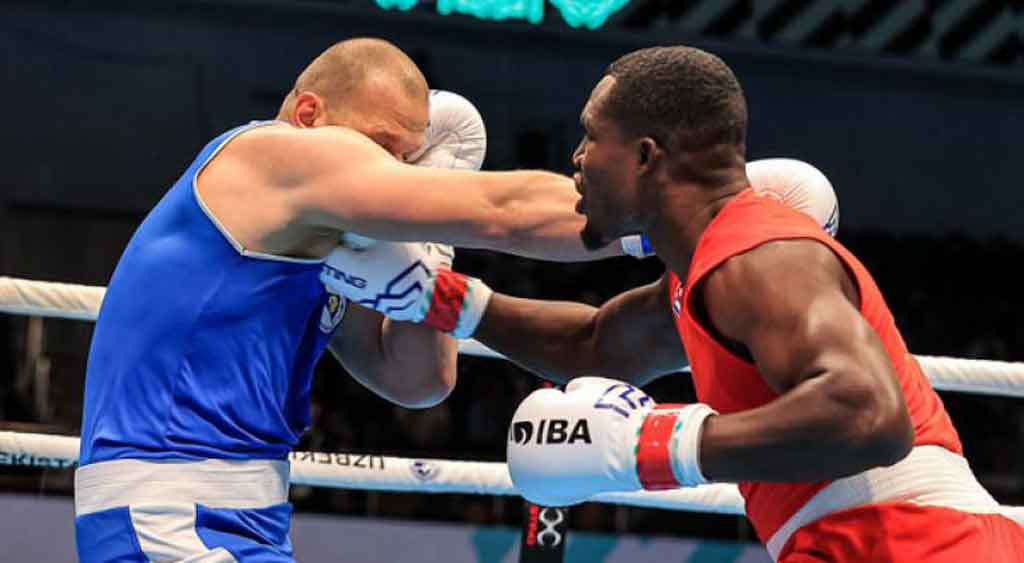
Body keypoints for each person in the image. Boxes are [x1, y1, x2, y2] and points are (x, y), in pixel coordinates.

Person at [72, 37, 612, 562]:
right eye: (382, 148)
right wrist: (654, 217)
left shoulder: (326, 245)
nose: (397, 174)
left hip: (248, 515)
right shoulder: (267, 155)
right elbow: (504, 211)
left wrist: (433, 240)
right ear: (309, 114)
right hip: (169, 509)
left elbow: (417, 379)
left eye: (408, 159)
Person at [481, 47, 1022, 561]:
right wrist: (440, 301)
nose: (577, 157)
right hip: (868, 540)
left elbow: (869, 413)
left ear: (645, 155)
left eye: (591, 136)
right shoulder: (701, 276)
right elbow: (594, 345)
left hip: (912, 540)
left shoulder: (761, 256)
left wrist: (650, 445)